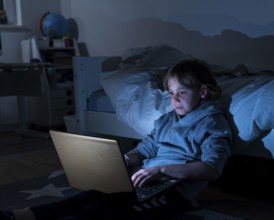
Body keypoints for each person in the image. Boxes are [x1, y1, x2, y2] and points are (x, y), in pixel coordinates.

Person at [0, 59, 232, 220]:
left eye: (181, 92)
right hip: (145, 180)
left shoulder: (212, 123)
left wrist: (162, 170)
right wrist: (127, 159)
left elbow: (211, 169)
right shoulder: (167, 119)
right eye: (171, 93)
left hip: (175, 192)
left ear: (202, 92)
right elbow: (148, 147)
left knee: (106, 212)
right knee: (90, 195)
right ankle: (17, 216)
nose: (174, 99)